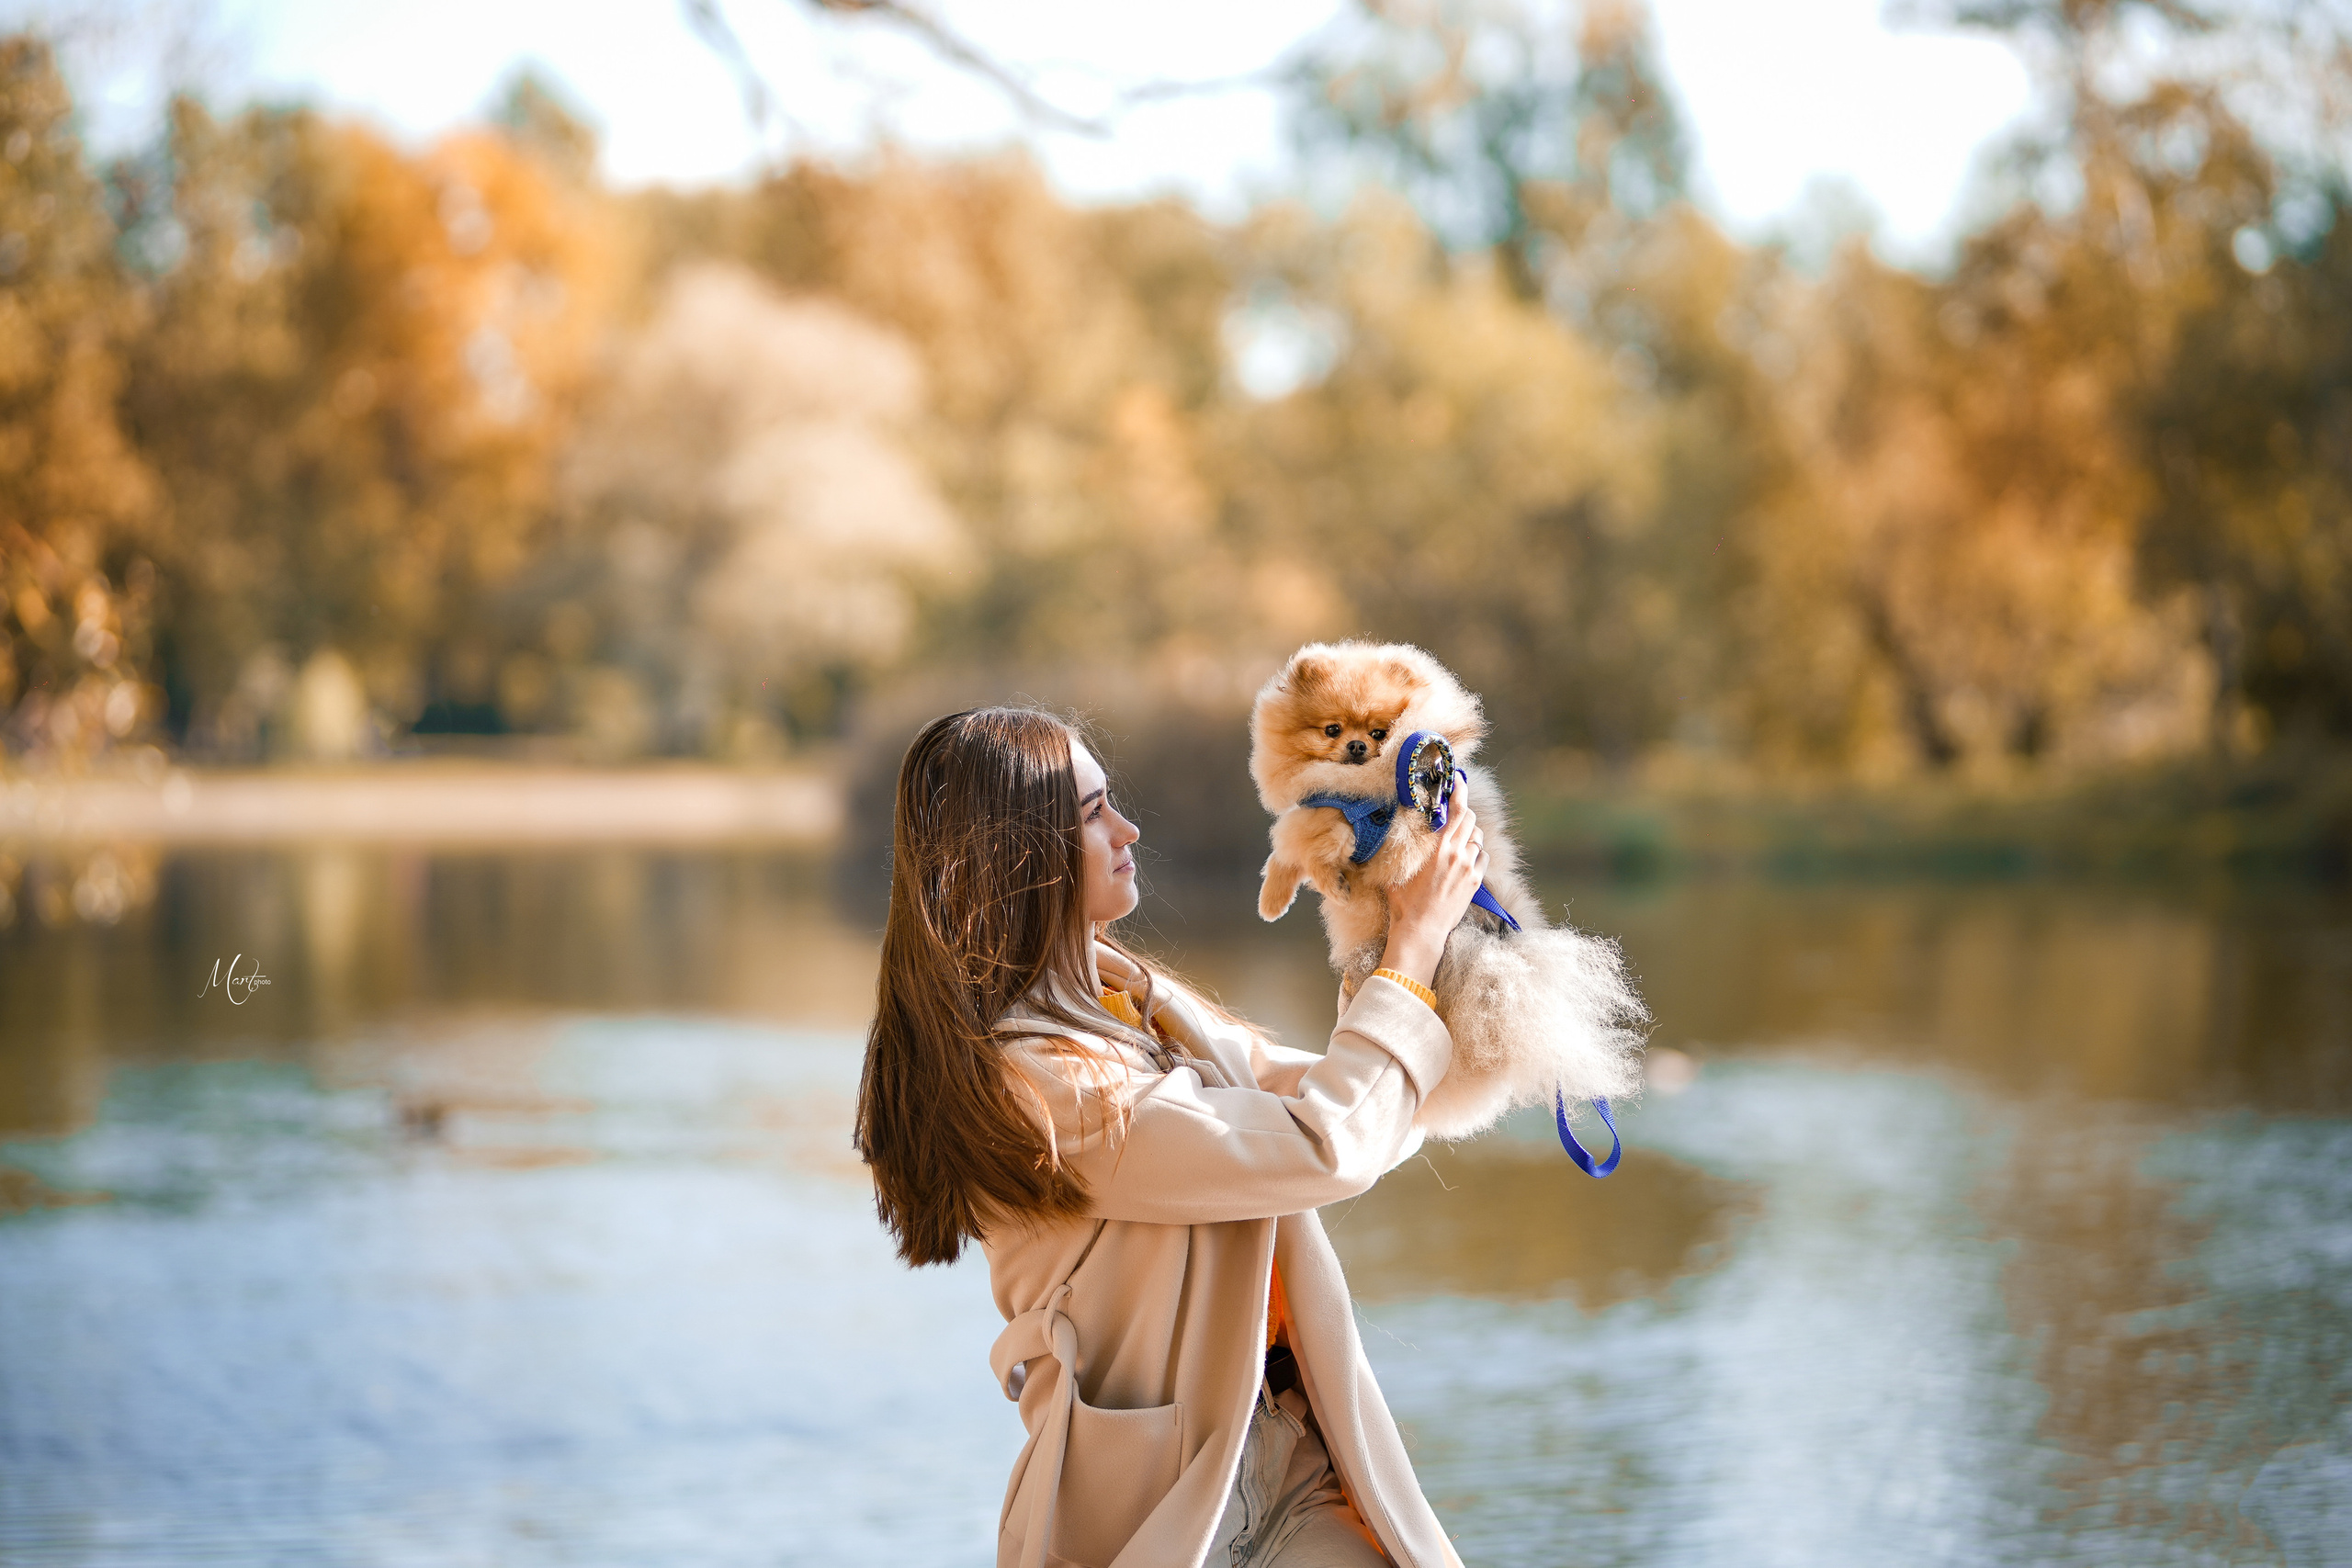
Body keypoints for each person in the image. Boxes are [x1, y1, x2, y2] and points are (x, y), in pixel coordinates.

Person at [854, 707, 1487, 1568]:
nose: (1128, 829)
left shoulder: (1126, 996)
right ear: (1017, 857)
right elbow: (1326, 1140)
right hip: (1162, 1512)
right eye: (1092, 813)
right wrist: (1413, 943)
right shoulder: (1037, 1082)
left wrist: (1397, 915)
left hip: (1292, 1472)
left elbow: (1347, 1107)